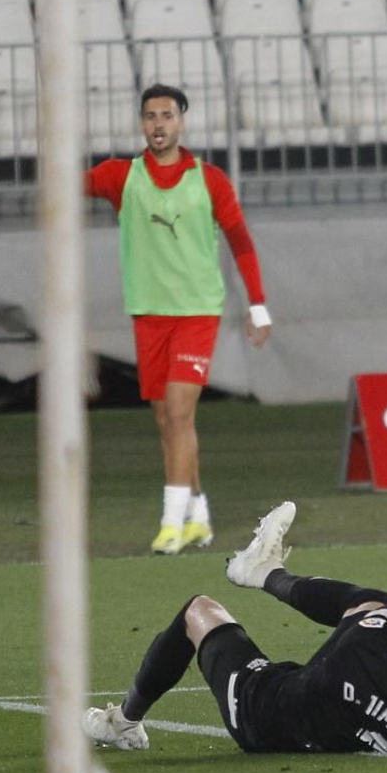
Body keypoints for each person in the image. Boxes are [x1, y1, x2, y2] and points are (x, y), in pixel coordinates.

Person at [82, 501, 387, 755]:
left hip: (257, 708)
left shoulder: (368, 645)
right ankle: (261, 571)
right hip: (311, 720)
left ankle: (123, 721)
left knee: (200, 610)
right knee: (371, 608)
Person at [85, 84, 272, 555]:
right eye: (150, 116)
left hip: (196, 312)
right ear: (141, 123)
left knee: (180, 410)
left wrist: (258, 305)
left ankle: (170, 523)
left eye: (167, 115)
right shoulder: (119, 177)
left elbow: (241, 242)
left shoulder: (208, 180)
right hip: (148, 313)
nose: (159, 124)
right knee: (166, 420)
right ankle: (198, 516)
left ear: (181, 121)